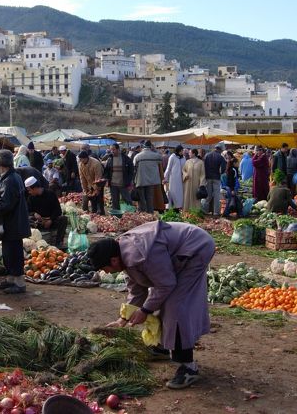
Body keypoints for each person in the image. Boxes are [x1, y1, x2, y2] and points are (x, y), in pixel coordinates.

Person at [87, 220, 215, 389]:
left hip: (196, 248)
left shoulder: (141, 255)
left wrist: (145, 310)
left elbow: (166, 284)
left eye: (104, 268)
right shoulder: (124, 256)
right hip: (179, 251)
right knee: (164, 302)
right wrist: (122, 319)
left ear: (114, 260)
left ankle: (189, 368)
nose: (105, 272)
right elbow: (137, 291)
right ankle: (163, 346)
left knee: (175, 306)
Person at [0, 149, 31, 294]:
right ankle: (10, 279)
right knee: (9, 253)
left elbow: (5, 205)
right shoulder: (13, 177)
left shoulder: (9, 180)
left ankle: (19, 284)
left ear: (1, 164)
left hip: (13, 223)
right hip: (15, 222)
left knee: (14, 254)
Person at [25, 176, 68, 249]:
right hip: (38, 223)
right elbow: (28, 211)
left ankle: (58, 242)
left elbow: (58, 210)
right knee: (27, 220)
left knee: (63, 219)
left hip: (51, 221)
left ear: (35, 188)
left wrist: (50, 220)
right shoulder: (31, 198)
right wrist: (34, 214)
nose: (29, 192)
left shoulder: (50, 194)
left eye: (29, 190)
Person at [132, 141, 163, 214]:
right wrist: (154, 149)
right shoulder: (156, 156)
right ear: (150, 146)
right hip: (152, 181)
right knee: (150, 198)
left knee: (142, 199)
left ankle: (143, 215)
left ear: (142, 147)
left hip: (141, 180)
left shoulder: (138, 156)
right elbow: (160, 159)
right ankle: (150, 214)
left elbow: (134, 168)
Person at [103, 143, 134, 212]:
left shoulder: (126, 159)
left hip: (123, 184)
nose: (112, 151)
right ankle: (116, 216)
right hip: (113, 184)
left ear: (118, 149)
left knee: (127, 200)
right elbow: (106, 171)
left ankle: (131, 215)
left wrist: (129, 182)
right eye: (111, 150)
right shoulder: (110, 159)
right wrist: (106, 179)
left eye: (113, 149)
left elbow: (131, 171)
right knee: (115, 202)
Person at [79, 150, 105, 215]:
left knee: (99, 199)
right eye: (80, 159)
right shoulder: (81, 165)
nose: (81, 161)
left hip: (99, 183)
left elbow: (98, 177)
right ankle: (94, 213)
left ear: (86, 158)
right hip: (90, 184)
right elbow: (82, 178)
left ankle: (101, 213)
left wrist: (97, 190)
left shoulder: (96, 163)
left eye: (82, 159)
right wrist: (85, 189)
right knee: (92, 199)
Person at [202, 145, 226, 215]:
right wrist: (220, 173)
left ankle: (205, 210)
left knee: (208, 195)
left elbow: (203, 165)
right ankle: (216, 212)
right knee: (216, 196)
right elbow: (223, 168)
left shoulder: (207, 155)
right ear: (220, 150)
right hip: (216, 178)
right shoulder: (221, 157)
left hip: (208, 177)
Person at [164, 145, 186, 211]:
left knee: (179, 195)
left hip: (181, 180)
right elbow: (168, 168)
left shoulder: (184, 158)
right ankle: (169, 208)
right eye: (181, 151)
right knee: (171, 194)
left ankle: (178, 208)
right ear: (178, 151)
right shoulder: (172, 157)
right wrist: (166, 178)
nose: (183, 152)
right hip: (173, 179)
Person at [221, 152, 241, 217]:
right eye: (237, 163)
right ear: (234, 163)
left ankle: (228, 212)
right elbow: (231, 181)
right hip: (230, 188)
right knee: (229, 200)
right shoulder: (233, 170)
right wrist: (232, 189)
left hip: (228, 187)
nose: (238, 164)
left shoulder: (230, 169)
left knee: (230, 200)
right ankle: (226, 213)